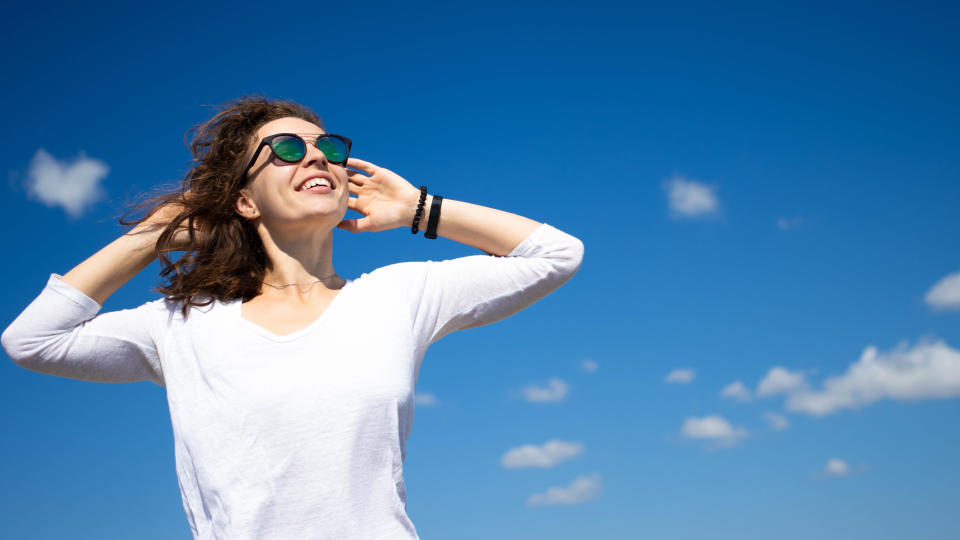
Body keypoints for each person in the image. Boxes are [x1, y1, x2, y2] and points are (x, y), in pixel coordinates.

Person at [0, 95, 585, 539]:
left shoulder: (397, 295)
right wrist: (157, 234)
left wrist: (418, 209)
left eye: (327, 148)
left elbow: (558, 254)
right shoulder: (180, 323)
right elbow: (32, 340)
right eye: (285, 150)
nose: (315, 156)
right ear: (245, 201)